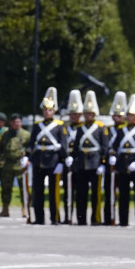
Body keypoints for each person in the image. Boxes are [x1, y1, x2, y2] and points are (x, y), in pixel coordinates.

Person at [25, 87, 67, 225]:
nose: (46, 112)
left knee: (54, 193)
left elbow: (63, 145)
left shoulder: (60, 125)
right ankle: (39, 218)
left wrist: (62, 161)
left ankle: (55, 218)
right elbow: (32, 142)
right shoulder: (37, 125)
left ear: (54, 111)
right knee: (38, 191)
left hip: (54, 161)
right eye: (44, 110)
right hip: (39, 160)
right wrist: (27, 156)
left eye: (49, 110)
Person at [71, 91, 109, 225]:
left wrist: (102, 163)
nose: (88, 116)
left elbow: (105, 147)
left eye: (90, 114)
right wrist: (73, 159)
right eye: (86, 114)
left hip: (95, 163)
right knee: (81, 194)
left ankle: (96, 218)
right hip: (82, 163)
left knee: (96, 194)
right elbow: (76, 147)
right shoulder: (80, 129)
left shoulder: (100, 128)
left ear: (94, 114)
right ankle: (81, 218)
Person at [112, 95, 135, 227]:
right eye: (129, 115)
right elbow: (115, 147)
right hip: (123, 164)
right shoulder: (121, 130)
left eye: (133, 115)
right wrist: (113, 156)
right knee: (123, 194)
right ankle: (123, 220)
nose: (130, 117)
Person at [0, 113, 30, 217]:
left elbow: (30, 148)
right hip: (8, 164)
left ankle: (25, 208)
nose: (17, 124)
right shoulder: (6, 134)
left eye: (19, 122)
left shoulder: (26, 134)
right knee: (6, 188)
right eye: (15, 122)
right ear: (11, 123)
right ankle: (5, 209)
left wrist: (28, 159)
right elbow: (0, 149)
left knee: (23, 188)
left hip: (20, 164)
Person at [104, 91, 128, 225]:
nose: (117, 118)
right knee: (109, 193)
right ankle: (109, 218)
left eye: (120, 115)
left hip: (123, 164)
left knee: (123, 194)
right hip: (110, 164)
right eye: (115, 115)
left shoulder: (127, 130)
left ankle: (123, 220)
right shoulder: (107, 129)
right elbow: (104, 145)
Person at [61, 90, 83, 224]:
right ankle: (67, 216)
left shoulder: (84, 128)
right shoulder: (65, 128)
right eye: (72, 114)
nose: (74, 116)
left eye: (76, 114)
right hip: (67, 161)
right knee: (67, 191)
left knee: (80, 191)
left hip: (79, 161)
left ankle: (81, 218)